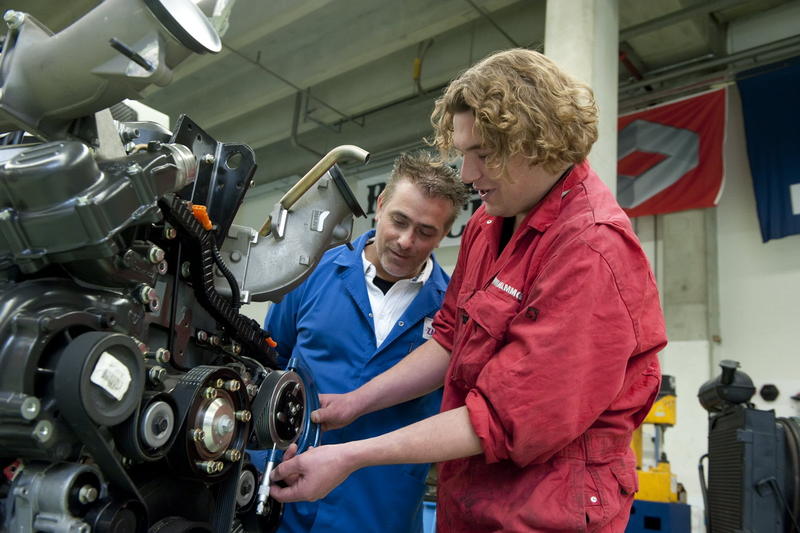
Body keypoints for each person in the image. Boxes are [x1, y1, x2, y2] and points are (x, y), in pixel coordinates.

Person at [270, 49, 667, 532]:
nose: (467, 174)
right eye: (463, 153)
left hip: (545, 512)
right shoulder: (489, 221)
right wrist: (359, 401)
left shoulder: (593, 252)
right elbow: (449, 339)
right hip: (474, 501)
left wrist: (351, 457)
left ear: (539, 143)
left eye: (483, 155)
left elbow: (502, 418)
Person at [261, 151, 469, 533]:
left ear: (446, 233)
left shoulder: (453, 309)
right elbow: (268, 368)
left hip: (381, 510)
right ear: (380, 206)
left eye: (425, 232)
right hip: (287, 496)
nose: (406, 241)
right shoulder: (311, 272)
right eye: (399, 221)